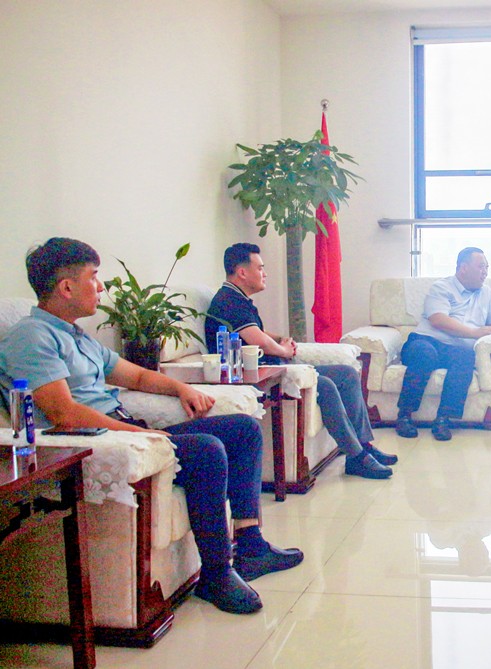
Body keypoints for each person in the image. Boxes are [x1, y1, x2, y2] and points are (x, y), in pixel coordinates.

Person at [0, 238, 303, 615]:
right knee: (206, 449)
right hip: (97, 442)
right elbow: (64, 413)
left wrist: (181, 389)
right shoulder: (32, 337)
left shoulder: (77, 336)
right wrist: (139, 434)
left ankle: (251, 545)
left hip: (125, 429)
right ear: (66, 287)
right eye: (93, 277)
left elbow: (137, 376)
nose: (100, 286)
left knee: (243, 429)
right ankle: (216, 574)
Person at [205, 243, 396, 480]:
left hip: (272, 367)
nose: (265, 273)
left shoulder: (237, 299)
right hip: (261, 374)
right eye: (260, 268)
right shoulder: (229, 301)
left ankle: (363, 445)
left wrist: (280, 339)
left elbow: (257, 333)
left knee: (346, 374)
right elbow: (260, 342)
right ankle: (356, 457)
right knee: (324, 384)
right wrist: (283, 350)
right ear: (242, 272)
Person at [395, 247, 491, 441]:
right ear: (463, 268)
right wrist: (474, 333)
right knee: (425, 355)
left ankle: (443, 419)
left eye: (487, 267)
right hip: (425, 340)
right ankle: (404, 416)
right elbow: (438, 319)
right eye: (481, 267)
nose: (485, 272)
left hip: (455, 349)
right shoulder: (442, 287)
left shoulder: (487, 293)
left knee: (466, 357)